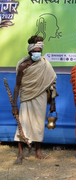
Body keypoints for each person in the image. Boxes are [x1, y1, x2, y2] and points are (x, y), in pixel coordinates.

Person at [12, 35, 57, 164]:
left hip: (41, 97)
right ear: (30, 51)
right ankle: (20, 154)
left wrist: (53, 102)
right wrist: (14, 105)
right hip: (26, 97)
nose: (37, 53)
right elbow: (17, 86)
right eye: (35, 51)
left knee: (38, 125)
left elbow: (51, 84)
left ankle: (38, 151)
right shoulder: (23, 66)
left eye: (39, 51)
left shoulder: (45, 64)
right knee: (23, 124)